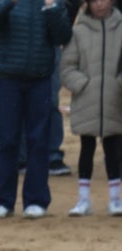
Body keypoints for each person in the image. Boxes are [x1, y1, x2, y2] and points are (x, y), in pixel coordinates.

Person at [0, 0, 73, 219]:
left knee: (39, 140)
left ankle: (36, 200)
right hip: (7, 78)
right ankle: (2, 201)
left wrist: (52, 7)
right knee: (6, 140)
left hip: (40, 78)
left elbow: (63, 36)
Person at [60, 0, 122, 216]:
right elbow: (67, 67)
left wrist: (118, 84)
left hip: (115, 101)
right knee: (86, 150)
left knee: (113, 150)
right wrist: (82, 85)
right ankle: (83, 199)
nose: (100, 4)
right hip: (87, 100)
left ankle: (116, 199)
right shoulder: (78, 31)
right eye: (95, 0)